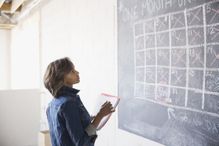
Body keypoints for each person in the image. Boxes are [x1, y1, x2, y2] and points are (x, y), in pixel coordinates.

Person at [43, 57, 115, 146]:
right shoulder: (69, 103)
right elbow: (81, 142)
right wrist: (100, 116)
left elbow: (67, 130)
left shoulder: (52, 104)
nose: (77, 72)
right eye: (72, 71)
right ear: (62, 77)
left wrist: (90, 118)